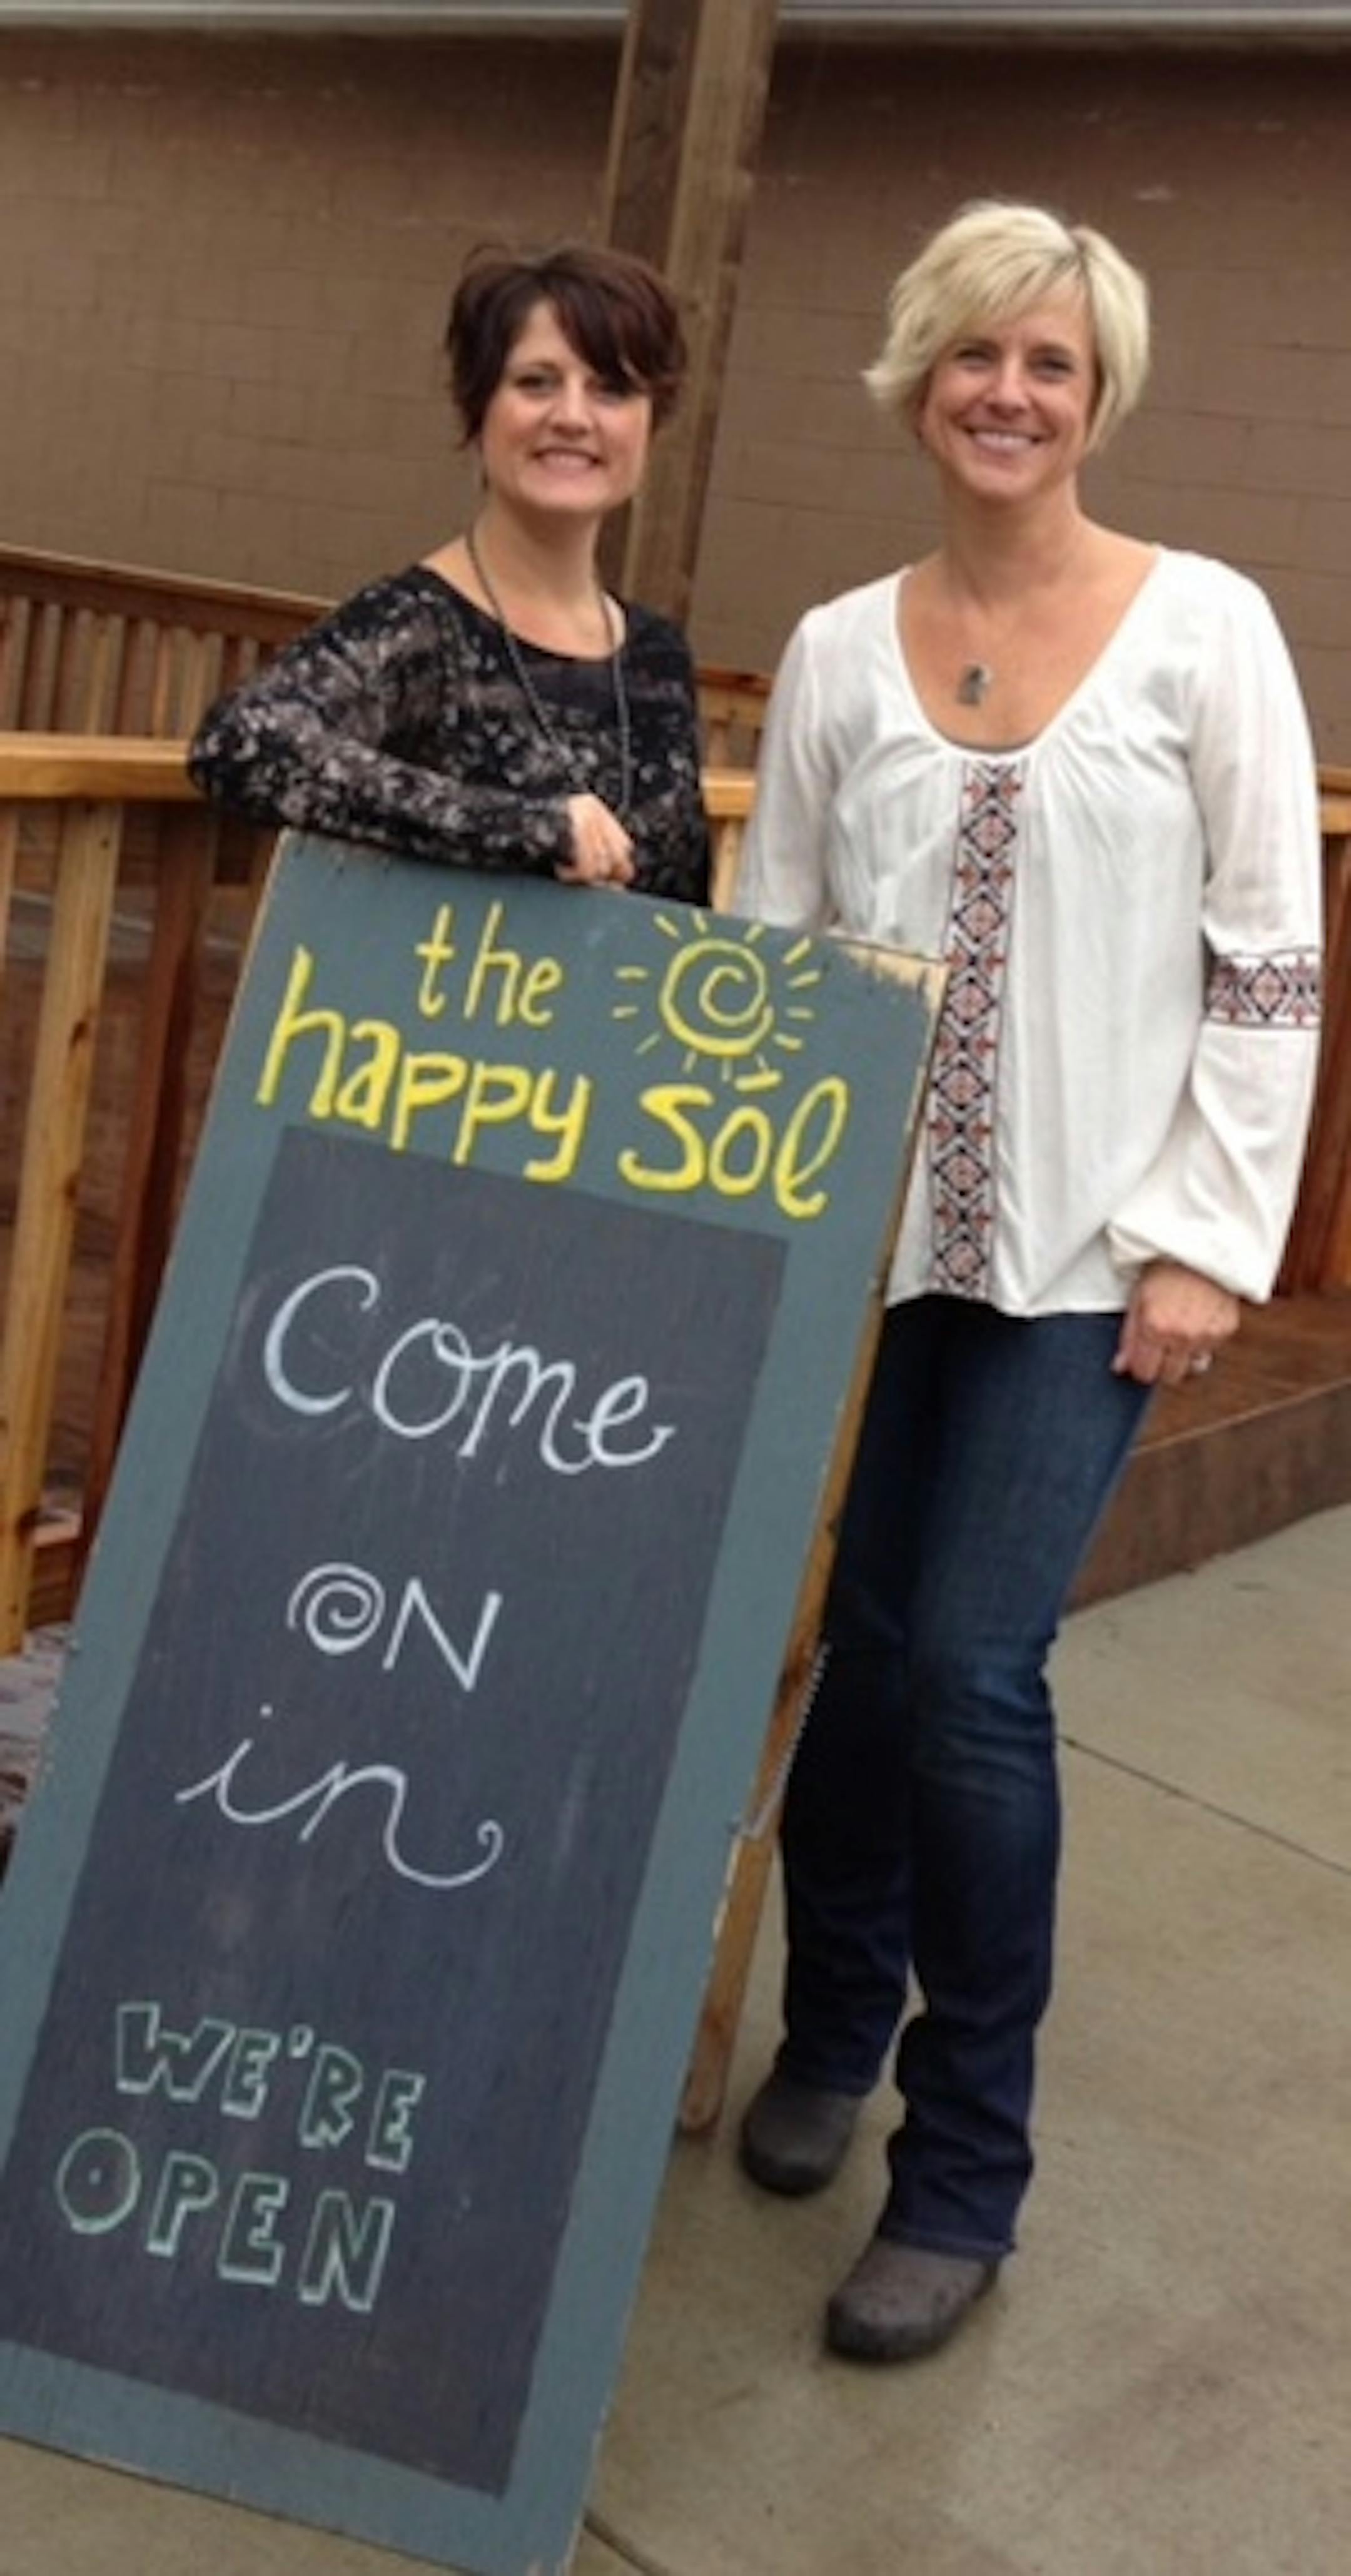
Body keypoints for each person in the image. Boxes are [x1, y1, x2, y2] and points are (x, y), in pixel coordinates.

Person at [734, 200, 1322, 2365]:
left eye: (1052, 364)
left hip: (1094, 1257)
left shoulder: (1204, 631)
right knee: (865, 1658)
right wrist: (766, 1231)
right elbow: (783, 954)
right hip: (873, 1250)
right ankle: (830, 2022)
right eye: (976, 353)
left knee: (975, 1668)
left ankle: (964, 2161)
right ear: (917, 375)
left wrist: (1202, 1235)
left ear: (1100, 397)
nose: (1010, 392)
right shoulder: (831, 647)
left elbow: (1267, 955)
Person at [188, 241, 709, 905]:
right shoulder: (419, 627)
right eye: (536, 382)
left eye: (611, 388)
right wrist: (528, 828)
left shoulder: (658, 655)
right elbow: (242, 745)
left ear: (649, 424)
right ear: (479, 408)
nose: (573, 417)